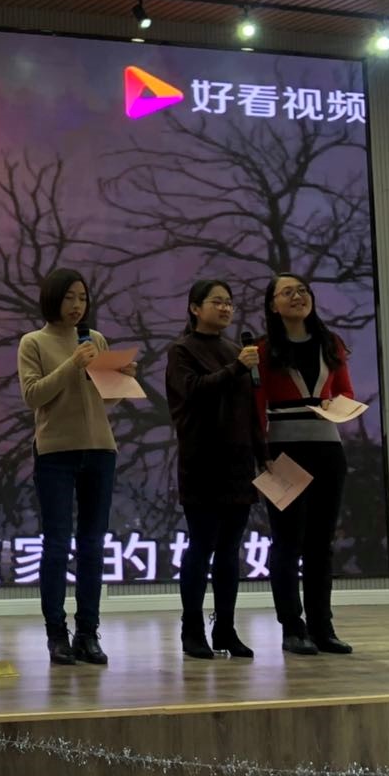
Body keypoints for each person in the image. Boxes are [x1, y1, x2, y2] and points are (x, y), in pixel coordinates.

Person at [16, 267, 131, 666]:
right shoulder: (33, 342)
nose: (77, 305)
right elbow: (33, 395)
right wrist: (72, 364)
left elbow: (104, 401)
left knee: (93, 545)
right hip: (56, 452)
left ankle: (87, 633)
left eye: (82, 298)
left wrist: (120, 381)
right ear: (52, 298)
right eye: (69, 297)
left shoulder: (95, 339)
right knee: (57, 544)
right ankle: (56, 634)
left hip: (100, 449)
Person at [164, 279, 266, 660]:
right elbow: (193, 392)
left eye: (229, 303)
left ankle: (225, 627)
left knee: (229, 550)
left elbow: (249, 409)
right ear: (195, 308)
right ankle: (192, 629)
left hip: (239, 462)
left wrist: (262, 453)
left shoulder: (237, 351)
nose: (225, 308)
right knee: (202, 545)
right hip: (202, 461)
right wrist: (236, 368)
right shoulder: (182, 350)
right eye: (217, 302)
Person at [256, 272, 356, 656]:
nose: (297, 297)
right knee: (287, 542)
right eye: (287, 292)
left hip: (329, 450)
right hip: (282, 451)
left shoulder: (331, 343)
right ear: (273, 304)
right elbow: (255, 404)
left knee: (321, 544)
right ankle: (291, 628)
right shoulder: (263, 350)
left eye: (302, 291)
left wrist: (335, 405)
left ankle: (322, 626)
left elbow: (345, 392)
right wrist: (259, 452)